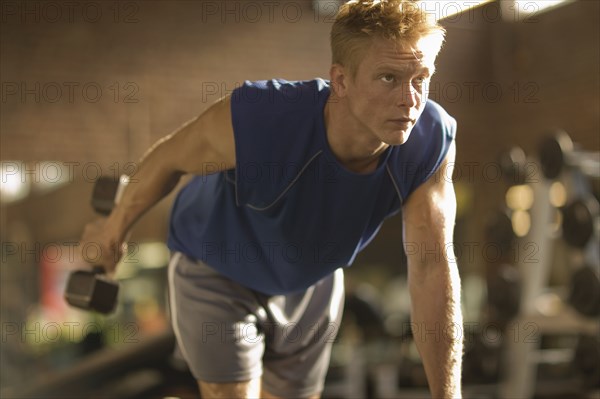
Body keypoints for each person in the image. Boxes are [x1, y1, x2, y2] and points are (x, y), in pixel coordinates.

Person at [81, 0, 463, 398]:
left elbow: (431, 263)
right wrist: (113, 230)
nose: (410, 99)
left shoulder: (429, 140)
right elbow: (168, 160)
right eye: (388, 77)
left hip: (311, 279)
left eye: (421, 78)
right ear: (341, 80)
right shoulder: (263, 116)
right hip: (216, 264)